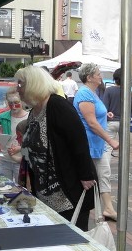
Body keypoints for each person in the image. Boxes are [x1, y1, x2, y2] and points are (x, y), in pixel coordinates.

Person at [15, 65, 97, 231]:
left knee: (71, 239)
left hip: (67, 192)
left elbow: (79, 141)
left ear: (33, 84)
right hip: (45, 193)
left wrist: (86, 175)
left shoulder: (57, 105)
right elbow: (30, 145)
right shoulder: (34, 111)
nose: (18, 88)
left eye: (21, 83)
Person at [74, 63, 119, 220]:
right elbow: (91, 122)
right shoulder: (85, 93)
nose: (101, 76)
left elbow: (94, 115)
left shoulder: (92, 93)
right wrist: (111, 140)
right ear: (89, 77)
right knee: (93, 177)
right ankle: (96, 210)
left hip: (97, 143)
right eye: (98, 73)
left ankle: (106, 208)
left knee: (103, 174)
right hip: (90, 142)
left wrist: (106, 115)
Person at [0, 87, 29, 181]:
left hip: (21, 160)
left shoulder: (29, 118)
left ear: (22, 101)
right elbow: (1, 137)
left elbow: (33, 141)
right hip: (4, 160)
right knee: (4, 187)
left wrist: (20, 148)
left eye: (16, 103)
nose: (13, 106)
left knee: (21, 189)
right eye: (10, 103)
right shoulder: (3, 118)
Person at [102, 67, 132, 143]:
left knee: (108, 147)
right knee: (124, 145)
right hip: (124, 122)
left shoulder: (108, 90)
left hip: (111, 122)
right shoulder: (127, 91)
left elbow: (104, 107)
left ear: (114, 79)